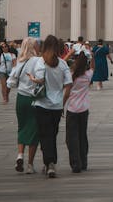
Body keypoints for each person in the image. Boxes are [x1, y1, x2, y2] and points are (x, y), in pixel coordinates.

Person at [30, 34, 73, 178]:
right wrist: (62, 103)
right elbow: (69, 85)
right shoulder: (62, 64)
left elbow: (40, 80)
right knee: (52, 135)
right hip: (56, 106)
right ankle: (50, 162)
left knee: (45, 135)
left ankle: (49, 163)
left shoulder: (40, 63)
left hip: (42, 104)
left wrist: (32, 79)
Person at [6, 37, 40, 174]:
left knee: (22, 127)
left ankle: (20, 155)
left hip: (21, 98)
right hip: (34, 99)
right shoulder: (38, 61)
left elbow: (10, 83)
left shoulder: (19, 63)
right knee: (34, 130)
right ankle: (30, 165)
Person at [65, 52, 93, 173]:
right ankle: (84, 162)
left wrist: (62, 106)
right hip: (84, 109)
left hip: (72, 109)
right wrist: (93, 56)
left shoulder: (71, 76)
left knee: (72, 138)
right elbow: (93, 67)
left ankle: (75, 163)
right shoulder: (88, 75)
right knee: (82, 136)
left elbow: (66, 93)